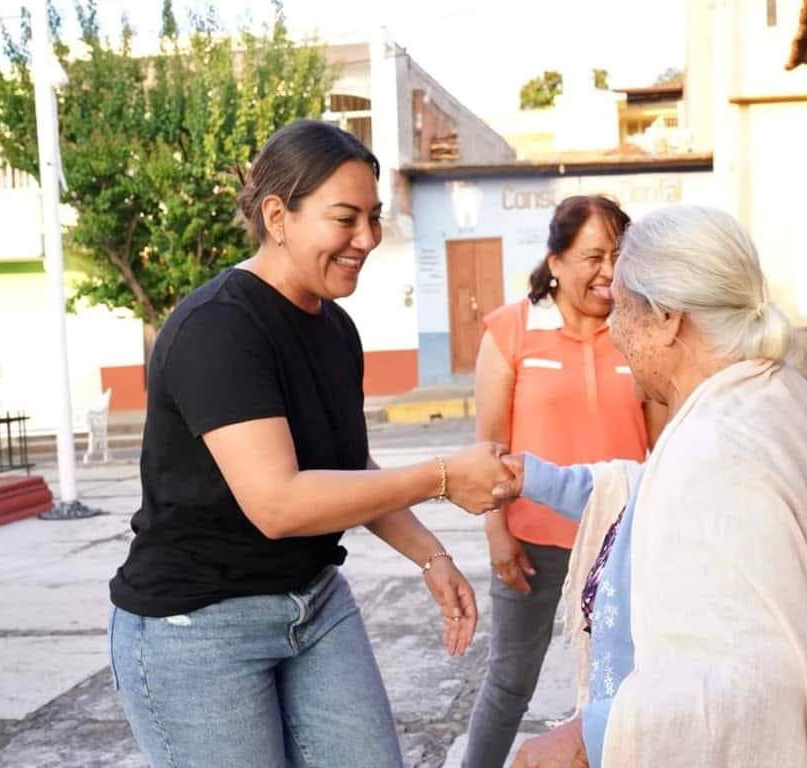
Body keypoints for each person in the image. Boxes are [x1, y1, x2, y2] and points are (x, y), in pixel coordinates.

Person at [107, 119, 510, 768]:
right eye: (345, 218)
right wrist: (441, 476)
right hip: (198, 624)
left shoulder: (336, 328)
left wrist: (431, 557)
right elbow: (280, 504)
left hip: (314, 602)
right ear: (277, 215)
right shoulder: (220, 329)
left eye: (375, 219)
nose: (368, 239)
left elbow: (349, 471)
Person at [498, 205, 807, 768]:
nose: (612, 327)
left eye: (624, 308)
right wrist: (537, 479)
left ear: (667, 317)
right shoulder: (771, 396)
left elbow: (754, 682)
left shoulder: (717, 445)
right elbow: (662, 497)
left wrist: (592, 735)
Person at [463, 195, 666, 768]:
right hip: (532, 543)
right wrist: (497, 534)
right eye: (593, 256)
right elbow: (489, 447)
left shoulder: (638, 329)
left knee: (622, 682)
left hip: (618, 539)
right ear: (555, 261)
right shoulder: (512, 330)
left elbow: (661, 442)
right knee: (509, 680)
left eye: (619, 256)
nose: (608, 271)